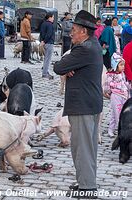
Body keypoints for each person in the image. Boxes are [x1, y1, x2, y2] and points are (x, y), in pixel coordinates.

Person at [54, 10, 103, 199]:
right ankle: (85, 181)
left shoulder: (84, 49)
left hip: (83, 103)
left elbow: (58, 67)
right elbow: (64, 68)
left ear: (84, 31)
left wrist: (68, 66)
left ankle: (88, 188)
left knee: (82, 148)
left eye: (73, 30)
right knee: (86, 147)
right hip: (90, 102)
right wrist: (70, 67)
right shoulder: (92, 45)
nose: (70, 33)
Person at [103, 53, 129, 138]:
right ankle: (117, 130)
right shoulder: (111, 74)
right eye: (121, 65)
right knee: (116, 113)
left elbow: (124, 83)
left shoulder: (122, 74)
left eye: (123, 65)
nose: (123, 67)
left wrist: (128, 86)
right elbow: (108, 85)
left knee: (120, 113)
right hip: (116, 95)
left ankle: (114, 129)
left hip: (124, 95)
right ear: (115, 65)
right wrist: (107, 92)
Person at [40, 13, 55, 79]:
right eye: (53, 17)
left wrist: (42, 41)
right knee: (47, 59)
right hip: (49, 43)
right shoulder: (50, 25)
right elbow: (49, 34)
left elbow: (41, 33)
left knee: (46, 58)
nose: (53, 19)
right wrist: (45, 41)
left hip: (45, 43)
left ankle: (45, 71)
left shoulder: (43, 23)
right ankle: (45, 73)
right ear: (50, 17)